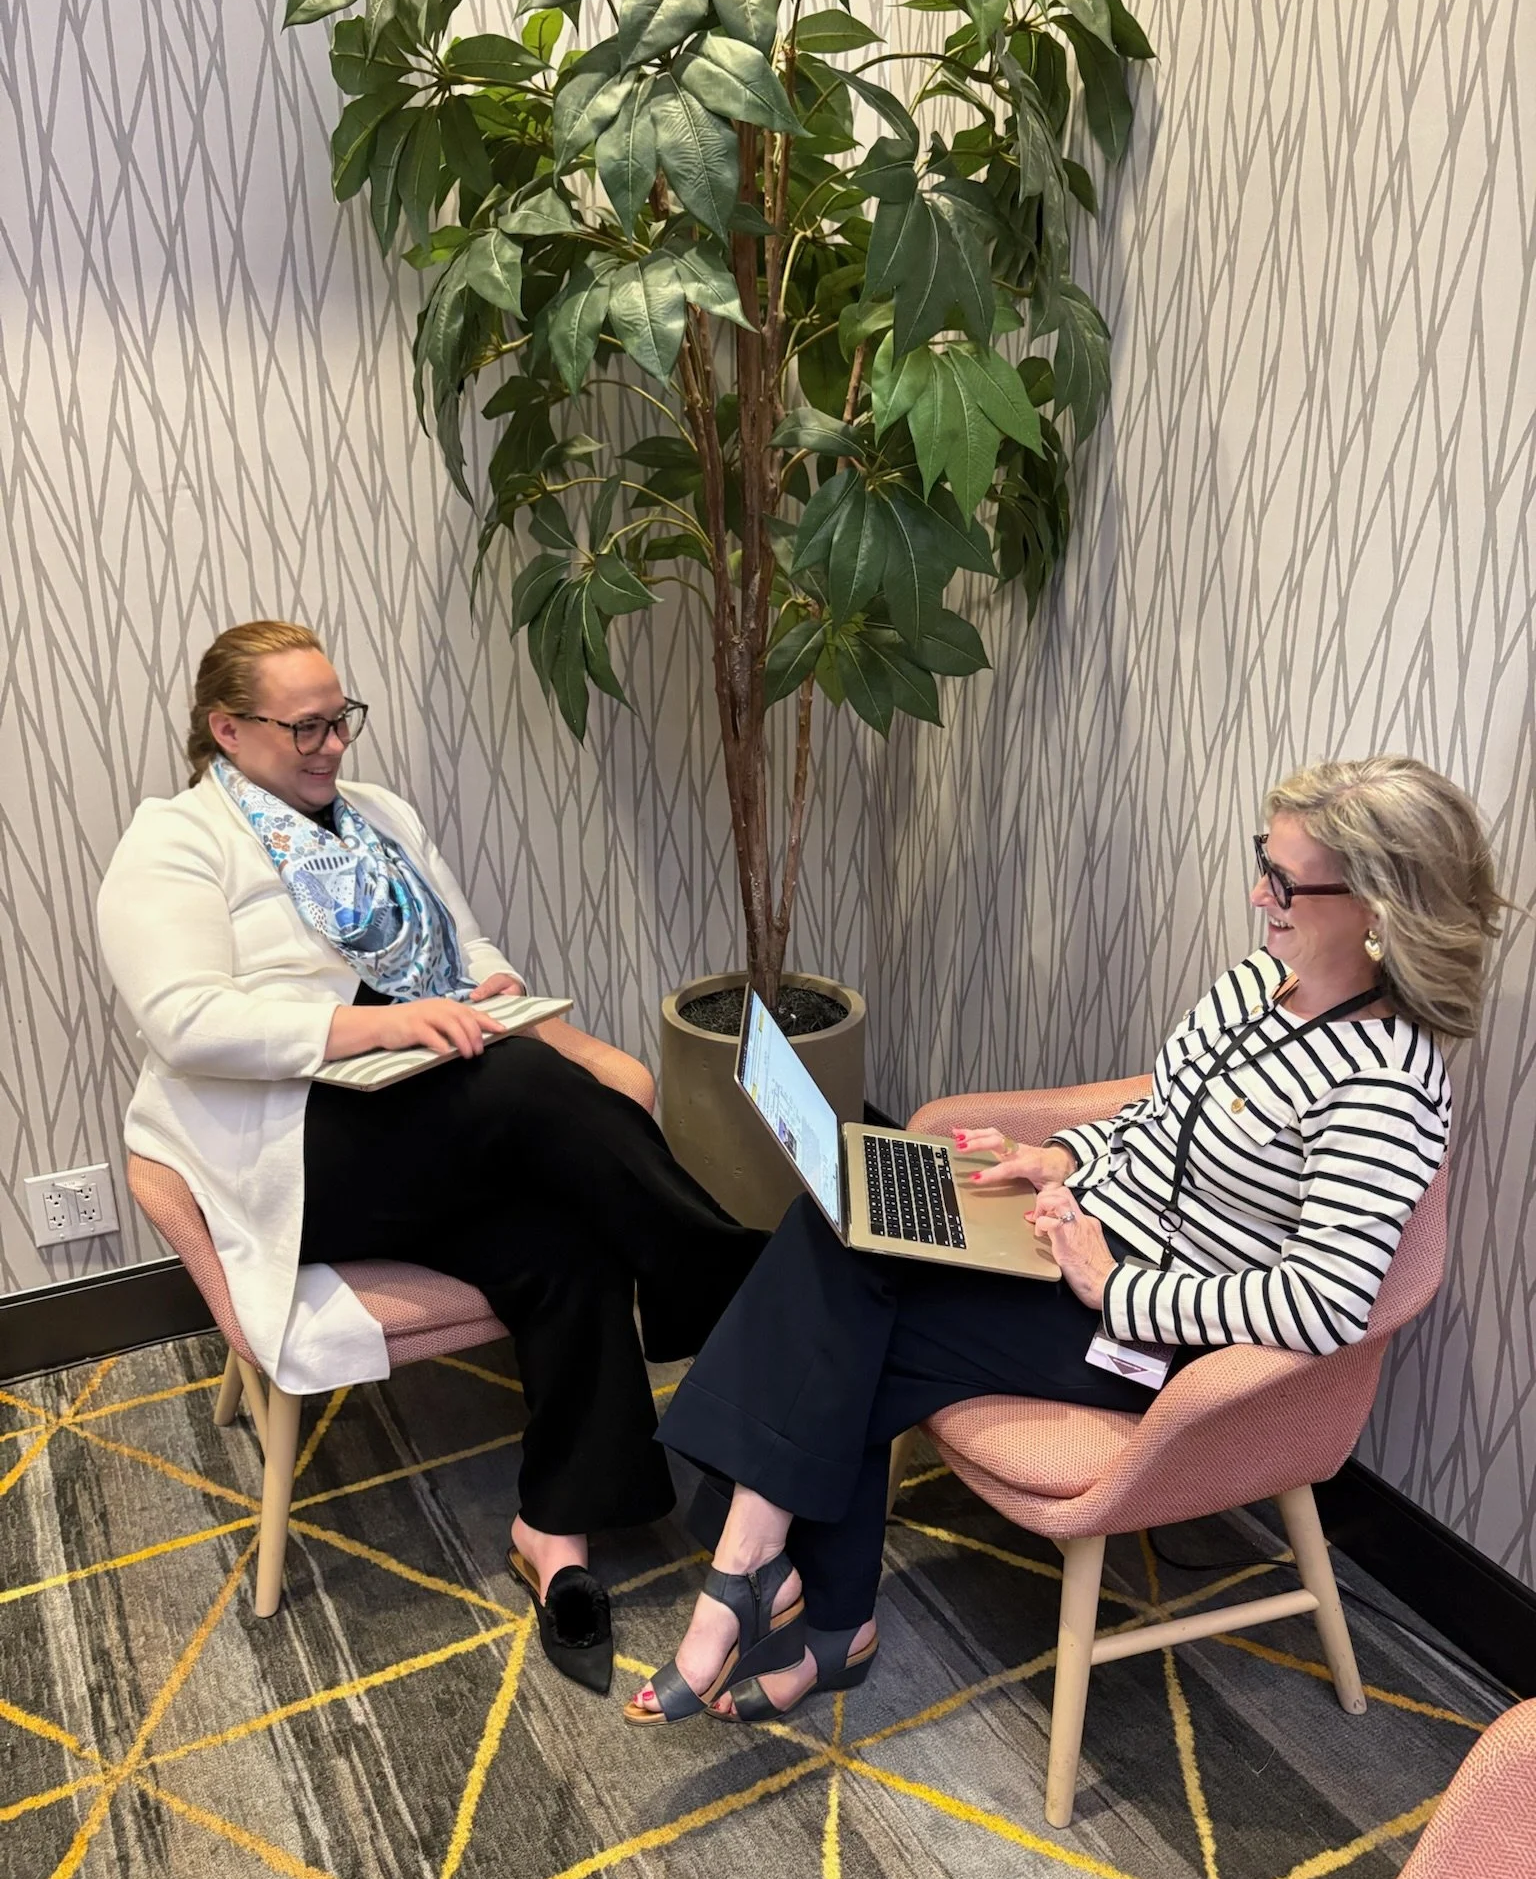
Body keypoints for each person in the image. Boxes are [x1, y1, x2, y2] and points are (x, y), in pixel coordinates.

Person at [627, 757, 1505, 1726]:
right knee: (843, 1229)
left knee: (851, 1315)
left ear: (1381, 905)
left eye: (1286, 880)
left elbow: (1327, 1299)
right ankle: (805, 1611)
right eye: (1265, 860)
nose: (1260, 892)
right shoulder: (1263, 979)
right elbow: (1162, 1114)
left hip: (1150, 1336)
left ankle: (762, 1581)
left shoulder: (1386, 1084)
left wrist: (1115, 1287)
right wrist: (1060, 1159)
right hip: (1070, 1244)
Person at [97, 620, 763, 1694]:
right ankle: (728, 1281)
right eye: (303, 724)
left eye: (339, 718)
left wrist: (489, 991)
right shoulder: (176, 841)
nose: (330, 745)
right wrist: (386, 1028)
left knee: (566, 1236)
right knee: (524, 1084)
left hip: (432, 1121)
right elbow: (185, 1020)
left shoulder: (382, 820)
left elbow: (465, 946)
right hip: (297, 1147)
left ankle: (554, 1532)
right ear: (227, 727)